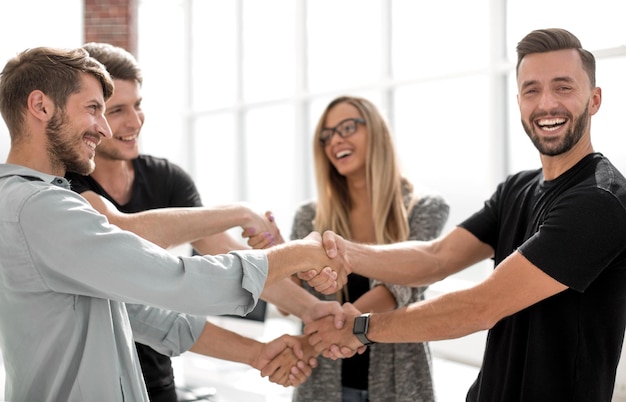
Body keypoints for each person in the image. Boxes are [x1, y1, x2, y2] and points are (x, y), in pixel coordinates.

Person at [0, 46, 346, 402]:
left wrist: (258, 351)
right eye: (95, 109)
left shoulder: (31, 202)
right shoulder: (41, 209)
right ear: (40, 106)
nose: (105, 128)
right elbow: (177, 280)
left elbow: (144, 315)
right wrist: (300, 254)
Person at [302, 28, 626, 401]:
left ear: (595, 99)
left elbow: (480, 306)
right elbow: (435, 257)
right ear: (519, 100)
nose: (546, 103)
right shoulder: (516, 189)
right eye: (532, 90)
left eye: (563, 87)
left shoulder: (600, 200)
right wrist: (344, 253)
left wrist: (360, 329)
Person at [64, 42, 297, 402]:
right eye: (117, 110)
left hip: (157, 382)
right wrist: (240, 211)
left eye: (138, 105)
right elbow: (121, 230)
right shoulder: (64, 185)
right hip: (90, 387)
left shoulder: (166, 179)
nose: (134, 121)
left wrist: (319, 311)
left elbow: (228, 255)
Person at [287, 96, 449, 402]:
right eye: (327, 135)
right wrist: (276, 261)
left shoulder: (423, 208)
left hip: (398, 385)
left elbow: (399, 287)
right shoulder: (309, 217)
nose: (336, 140)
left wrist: (343, 326)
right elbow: (290, 301)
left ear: (375, 131)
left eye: (347, 127)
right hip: (321, 383)